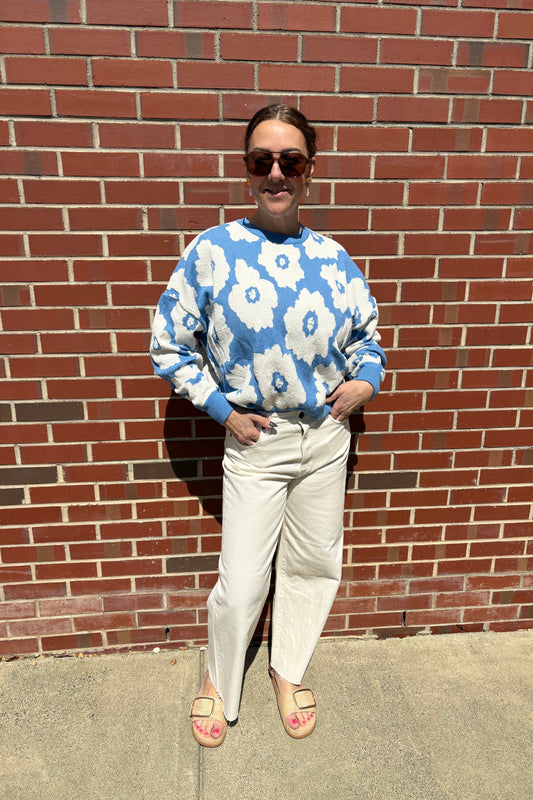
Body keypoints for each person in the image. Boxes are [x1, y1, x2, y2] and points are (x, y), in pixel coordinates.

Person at [150, 104, 386, 747]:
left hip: (325, 440)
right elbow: (169, 344)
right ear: (248, 169)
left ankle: (288, 668)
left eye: (291, 161)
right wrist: (224, 411)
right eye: (263, 160)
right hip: (258, 444)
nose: (276, 173)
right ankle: (218, 680)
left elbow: (370, 340)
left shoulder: (335, 259)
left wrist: (367, 381)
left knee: (313, 565)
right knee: (245, 577)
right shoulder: (214, 251)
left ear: (311, 171)